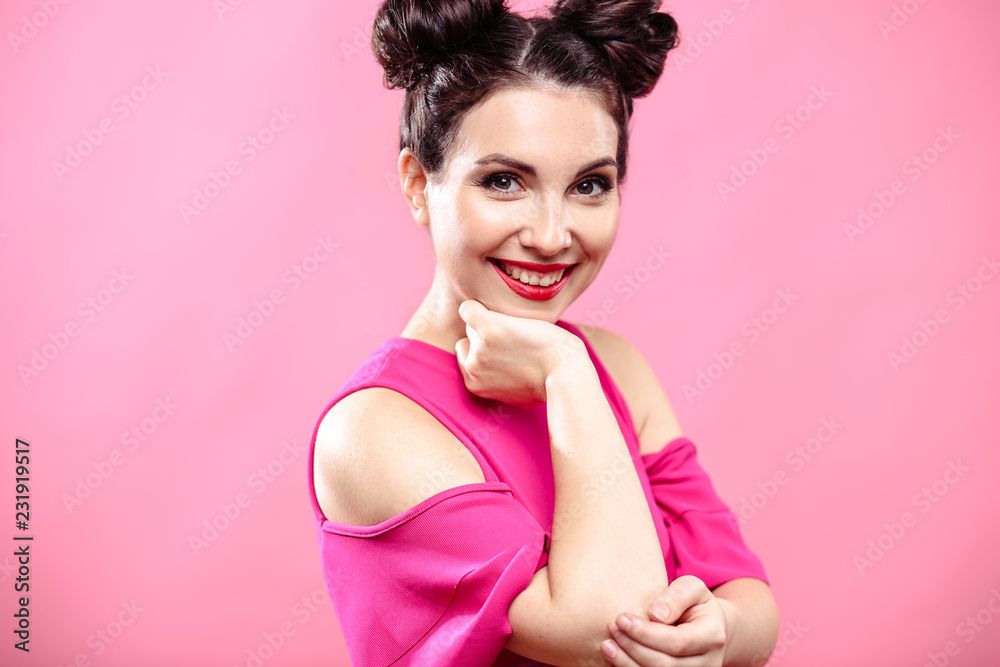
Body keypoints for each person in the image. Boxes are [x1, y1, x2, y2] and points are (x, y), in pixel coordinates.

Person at [306, 0, 779, 664]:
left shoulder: (615, 364)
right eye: (504, 181)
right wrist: (565, 370)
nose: (553, 236)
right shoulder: (374, 428)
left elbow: (750, 596)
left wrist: (720, 629)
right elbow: (603, 631)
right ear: (418, 183)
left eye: (589, 185)